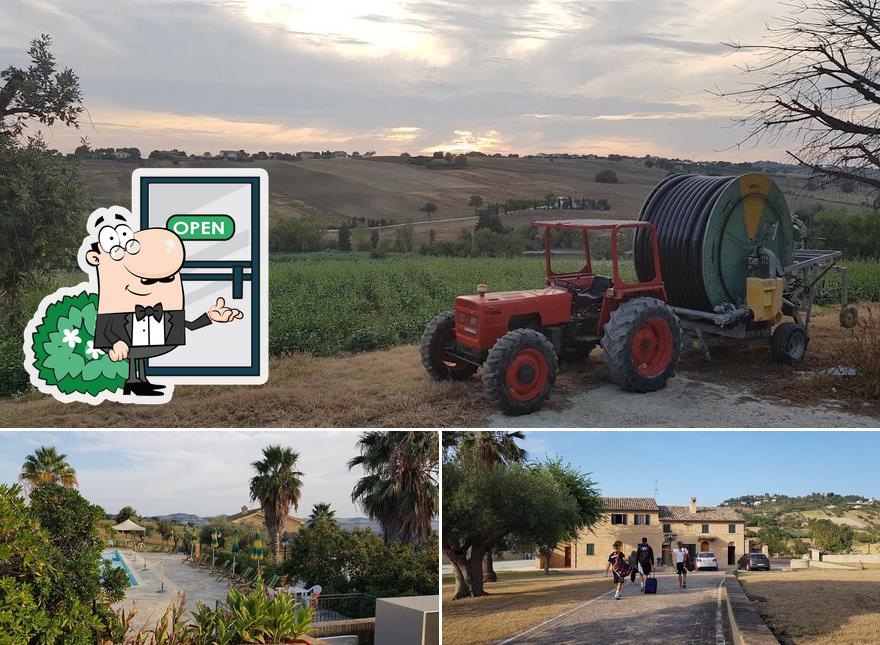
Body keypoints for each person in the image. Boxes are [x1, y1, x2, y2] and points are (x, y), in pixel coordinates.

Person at [85, 209, 244, 396]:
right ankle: (132, 381)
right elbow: (106, 330)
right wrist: (114, 343)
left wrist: (209, 317)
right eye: (147, 280)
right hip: (127, 343)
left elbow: (189, 326)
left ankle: (141, 380)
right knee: (136, 354)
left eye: (167, 279)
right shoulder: (114, 311)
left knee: (141, 355)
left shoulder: (165, 313)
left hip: (149, 341)